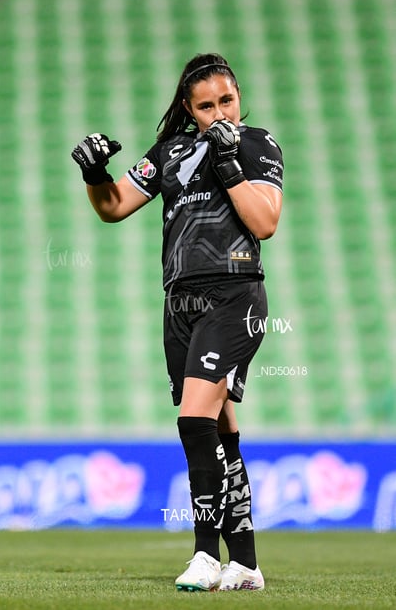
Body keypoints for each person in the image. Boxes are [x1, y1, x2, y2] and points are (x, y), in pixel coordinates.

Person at [71, 52, 283, 592]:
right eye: (206, 106)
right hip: (180, 303)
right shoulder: (170, 152)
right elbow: (113, 206)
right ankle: (248, 564)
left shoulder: (258, 144)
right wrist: (95, 173)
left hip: (234, 295)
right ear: (190, 111)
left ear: (240, 98)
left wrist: (230, 163)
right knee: (218, 431)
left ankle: (204, 555)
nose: (220, 113)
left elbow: (265, 222)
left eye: (227, 101)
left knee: (193, 423)